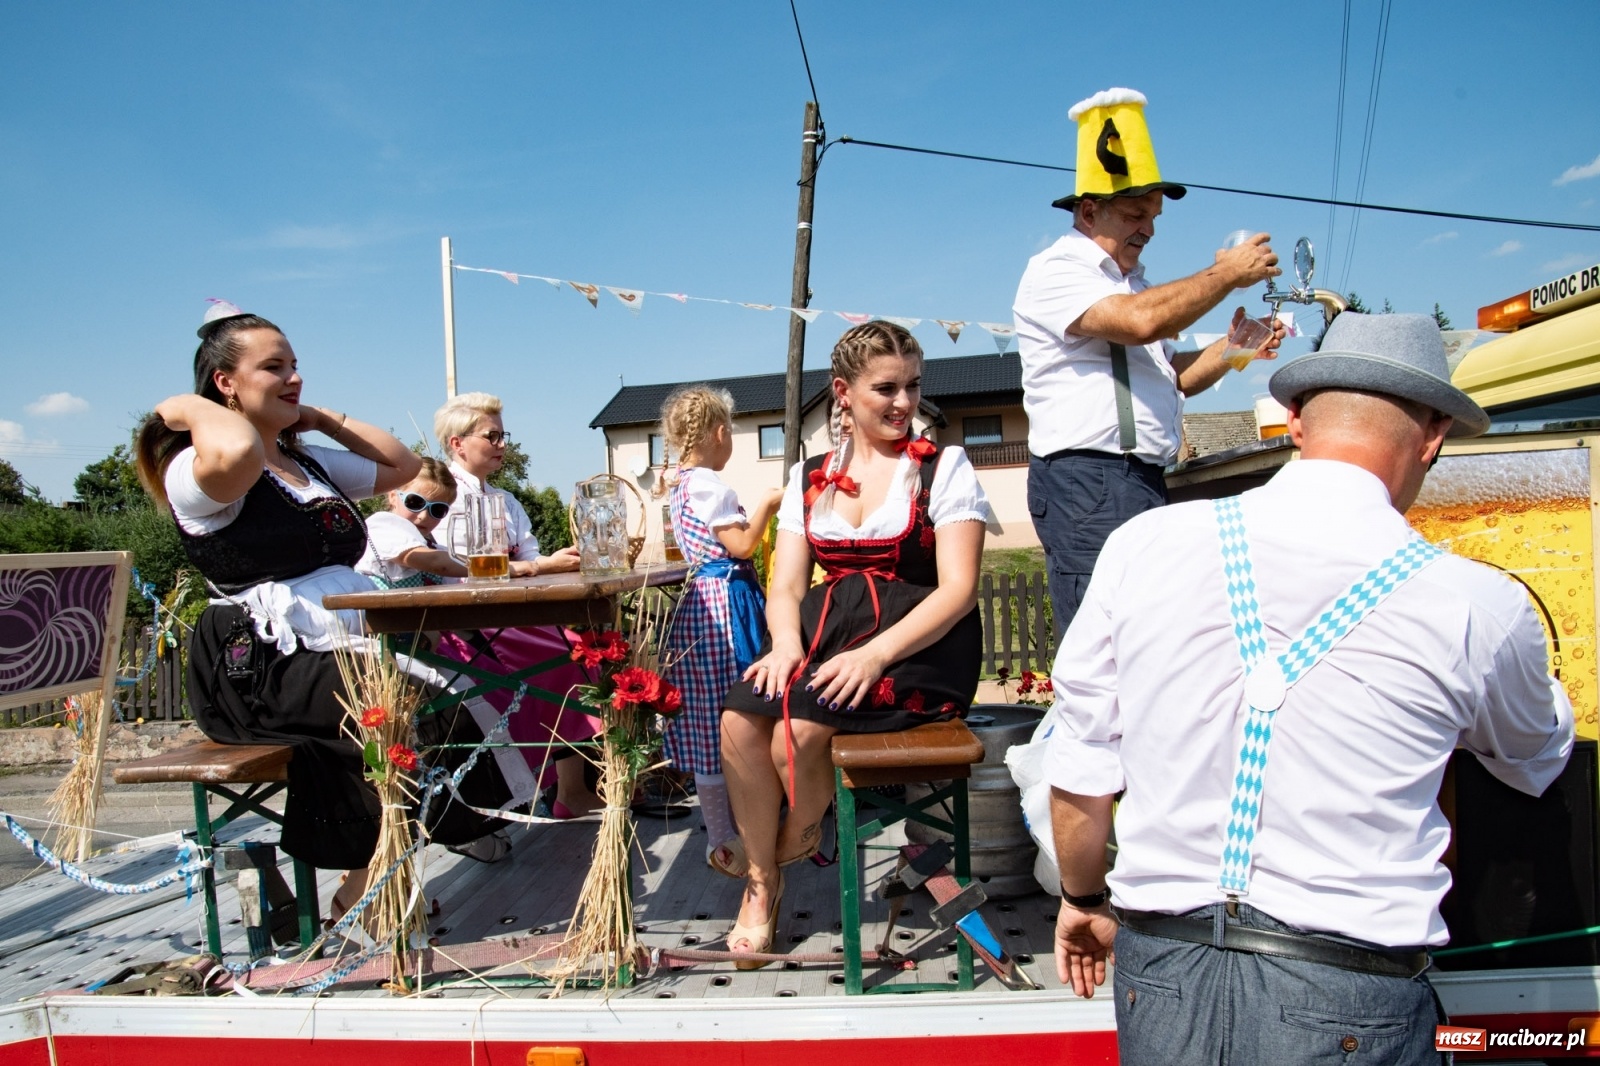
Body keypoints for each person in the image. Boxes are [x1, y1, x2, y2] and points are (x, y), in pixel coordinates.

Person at [1045, 312, 1574, 1063]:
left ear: (1294, 420)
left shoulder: (1143, 545)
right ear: (1432, 438)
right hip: (1351, 995)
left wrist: (1082, 897)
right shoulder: (1477, 603)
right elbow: (1532, 758)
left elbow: (1081, 772)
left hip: (1161, 974)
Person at [134, 301, 511, 911]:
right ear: (226, 383)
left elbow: (405, 467)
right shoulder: (194, 466)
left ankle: (371, 878)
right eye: (273, 367)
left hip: (335, 640)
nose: (293, 377)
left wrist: (316, 417)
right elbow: (235, 454)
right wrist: (190, 407)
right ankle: (368, 882)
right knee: (388, 710)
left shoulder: (306, 461)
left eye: (296, 365)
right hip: (258, 661)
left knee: (440, 702)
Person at [719, 322, 992, 968]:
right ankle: (764, 887)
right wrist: (785, 643)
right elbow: (785, 583)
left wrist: (875, 655)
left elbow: (958, 590)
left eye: (913, 387)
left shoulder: (944, 467)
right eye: (886, 389)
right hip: (826, 633)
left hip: (917, 641)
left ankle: (784, 846)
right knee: (737, 720)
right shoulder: (810, 477)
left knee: (798, 737)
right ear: (843, 392)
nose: (904, 403)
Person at [1013, 88, 1285, 638]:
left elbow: (1173, 379)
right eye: (1136, 213)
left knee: (1147, 635)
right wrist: (1227, 274)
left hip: (1135, 478)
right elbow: (1140, 322)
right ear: (1089, 210)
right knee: (1107, 641)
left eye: (1154, 215)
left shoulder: (1134, 283)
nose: (1150, 228)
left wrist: (1235, 350)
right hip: (1087, 479)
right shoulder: (1055, 270)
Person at [430, 392, 602, 818]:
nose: (503, 444)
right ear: (458, 443)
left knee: (594, 647)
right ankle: (564, 789)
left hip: (513, 615)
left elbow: (528, 555)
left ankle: (574, 786)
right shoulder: (441, 496)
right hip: (472, 621)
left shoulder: (504, 500)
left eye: (503, 435)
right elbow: (456, 569)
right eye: (493, 435)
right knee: (569, 660)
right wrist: (539, 565)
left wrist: (548, 563)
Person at [656, 385, 784, 876]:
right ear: (719, 432)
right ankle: (735, 832)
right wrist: (770, 503)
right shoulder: (710, 485)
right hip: (723, 610)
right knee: (736, 711)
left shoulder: (681, 484)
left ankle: (722, 833)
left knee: (709, 721)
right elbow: (743, 545)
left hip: (699, 606)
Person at [356, 456, 465, 588]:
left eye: (438, 509)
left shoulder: (435, 549)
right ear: (393, 496)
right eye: (415, 502)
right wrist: (490, 565)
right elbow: (435, 563)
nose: (424, 516)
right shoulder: (382, 528)